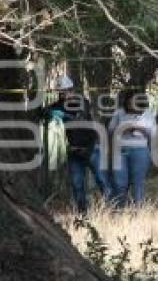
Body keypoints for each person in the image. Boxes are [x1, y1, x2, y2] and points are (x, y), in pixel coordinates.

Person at [43, 74, 109, 213]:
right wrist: (48, 112)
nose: (64, 94)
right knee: (77, 184)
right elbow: (45, 112)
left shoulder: (82, 102)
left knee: (102, 180)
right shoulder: (57, 105)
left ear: (72, 89)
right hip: (74, 152)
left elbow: (80, 117)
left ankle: (112, 209)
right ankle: (83, 214)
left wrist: (64, 116)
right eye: (61, 92)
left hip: (91, 149)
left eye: (67, 91)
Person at [108, 88, 156, 207]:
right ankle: (119, 210)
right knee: (120, 183)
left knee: (137, 183)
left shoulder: (148, 114)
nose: (132, 104)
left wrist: (141, 129)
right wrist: (122, 129)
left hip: (140, 151)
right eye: (130, 101)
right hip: (120, 151)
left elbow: (153, 134)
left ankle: (137, 211)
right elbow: (110, 131)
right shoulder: (119, 113)